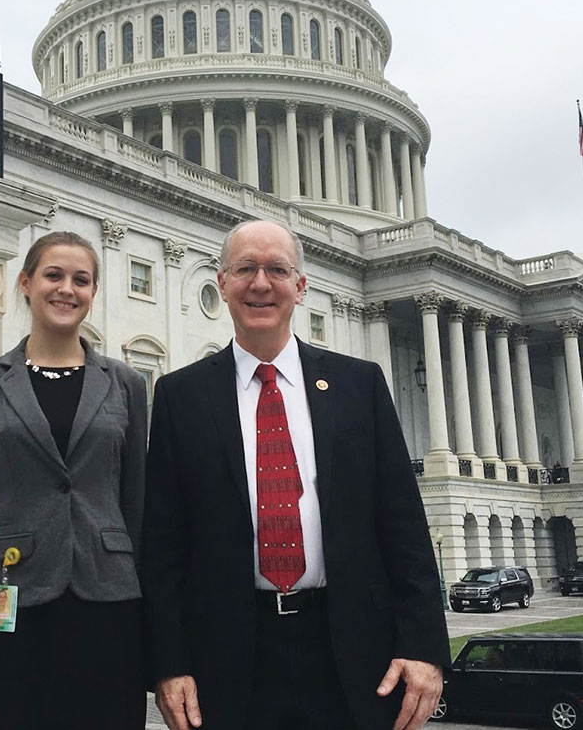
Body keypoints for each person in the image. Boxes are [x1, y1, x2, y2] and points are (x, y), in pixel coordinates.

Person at [143, 219, 449, 730]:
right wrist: (169, 664)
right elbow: (163, 544)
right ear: (222, 282)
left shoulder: (360, 385)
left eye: (277, 270)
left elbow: (404, 528)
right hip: (229, 653)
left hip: (352, 648)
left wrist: (422, 647)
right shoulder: (180, 396)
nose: (260, 284)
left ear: (300, 287)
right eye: (245, 269)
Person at [0, 230, 148, 728]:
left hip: (109, 605)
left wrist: (154, 633)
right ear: (26, 283)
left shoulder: (126, 383)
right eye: (53, 275)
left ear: (93, 292)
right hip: (12, 604)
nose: (67, 289)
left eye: (81, 279)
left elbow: (138, 508)